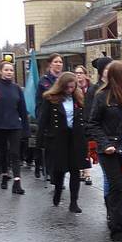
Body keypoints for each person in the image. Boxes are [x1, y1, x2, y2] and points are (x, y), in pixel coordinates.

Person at [87, 61, 122, 242]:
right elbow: (93, 123)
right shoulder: (102, 96)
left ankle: (113, 216)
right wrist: (105, 144)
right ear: (117, 77)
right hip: (109, 151)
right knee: (115, 186)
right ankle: (117, 229)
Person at [37, 72, 88, 211]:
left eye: (73, 87)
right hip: (58, 139)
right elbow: (43, 121)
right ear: (61, 86)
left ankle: (73, 202)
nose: (70, 90)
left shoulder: (78, 99)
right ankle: (58, 192)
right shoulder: (50, 99)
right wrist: (39, 141)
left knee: (75, 170)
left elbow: (84, 119)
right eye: (67, 88)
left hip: (75, 138)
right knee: (59, 170)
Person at [0, 61, 30, 194]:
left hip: (14, 126)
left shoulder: (17, 89)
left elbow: (23, 110)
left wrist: (26, 128)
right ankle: (5, 174)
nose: (9, 72)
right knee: (2, 152)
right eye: (6, 70)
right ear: (1, 71)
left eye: (11, 70)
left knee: (15, 153)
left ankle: (17, 181)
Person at [34, 54, 63, 181]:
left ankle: (57, 173)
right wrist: (41, 119)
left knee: (60, 150)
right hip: (48, 119)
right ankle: (50, 172)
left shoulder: (64, 80)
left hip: (61, 118)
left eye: (60, 62)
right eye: (56, 62)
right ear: (50, 64)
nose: (58, 64)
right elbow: (39, 102)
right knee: (50, 149)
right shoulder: (44, 81)